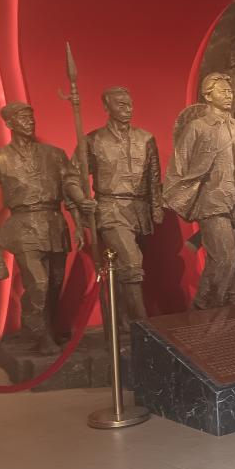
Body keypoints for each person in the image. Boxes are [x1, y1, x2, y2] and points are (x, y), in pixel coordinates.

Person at [0, 102, 94, 353]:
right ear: (9, 123)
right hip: (23, 226)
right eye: (22, 118)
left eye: (31, 117)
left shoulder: (54, 154)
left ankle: (41, 327)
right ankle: (40, 335)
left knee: (54, 282)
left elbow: (69, 191)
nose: (29, 122)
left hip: (54, 223)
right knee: (39, 283)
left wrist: (79, 225)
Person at [164, 73, 235, 309]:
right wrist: (178, 195)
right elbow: (178, 164)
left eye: (229, 91)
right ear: (208, 96)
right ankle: (214, 310)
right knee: (224, 258)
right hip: (213, 204)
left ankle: (208, 308)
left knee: (231, 261)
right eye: (222, 90)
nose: (228, 94)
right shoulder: (197, 128)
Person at [74, 86, 163, 334]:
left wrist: (156, 208)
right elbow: (72, 177)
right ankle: (143, 328)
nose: (128, 109)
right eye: (121, 104)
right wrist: (81, 199)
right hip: (110, 209)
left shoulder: (146, 138)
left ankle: (122, 322)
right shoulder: (92, 141)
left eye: (130, 104)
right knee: (132, 264)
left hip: (140, 210)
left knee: (125, 269)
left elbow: (154, 177)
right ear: (107, 107)